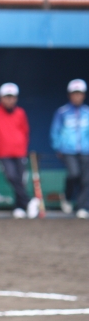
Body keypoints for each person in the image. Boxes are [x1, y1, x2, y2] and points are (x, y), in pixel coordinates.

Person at [0, 83, 40, 219]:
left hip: (20, 151)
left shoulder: (20, 112)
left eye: (12, 97)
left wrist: (24, 147)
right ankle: (29, 202)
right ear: (0, 98)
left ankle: (19, 207)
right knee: (11, 176)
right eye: (7, 97)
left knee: (20, 180)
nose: (10, 100)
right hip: (3, 152)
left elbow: (25, 131)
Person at [50, 79, 89, 219]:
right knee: (74, 174)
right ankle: (66, 196)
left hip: (86, 151)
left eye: (80, 93)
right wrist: (58, 147)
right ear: (69, 95)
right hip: (68, 151)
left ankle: (82, 207)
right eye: (74, 93)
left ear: (84, 95)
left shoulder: (87, 112)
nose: (77, 96)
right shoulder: (62, 112)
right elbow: (55, 131)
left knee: (86, 179)